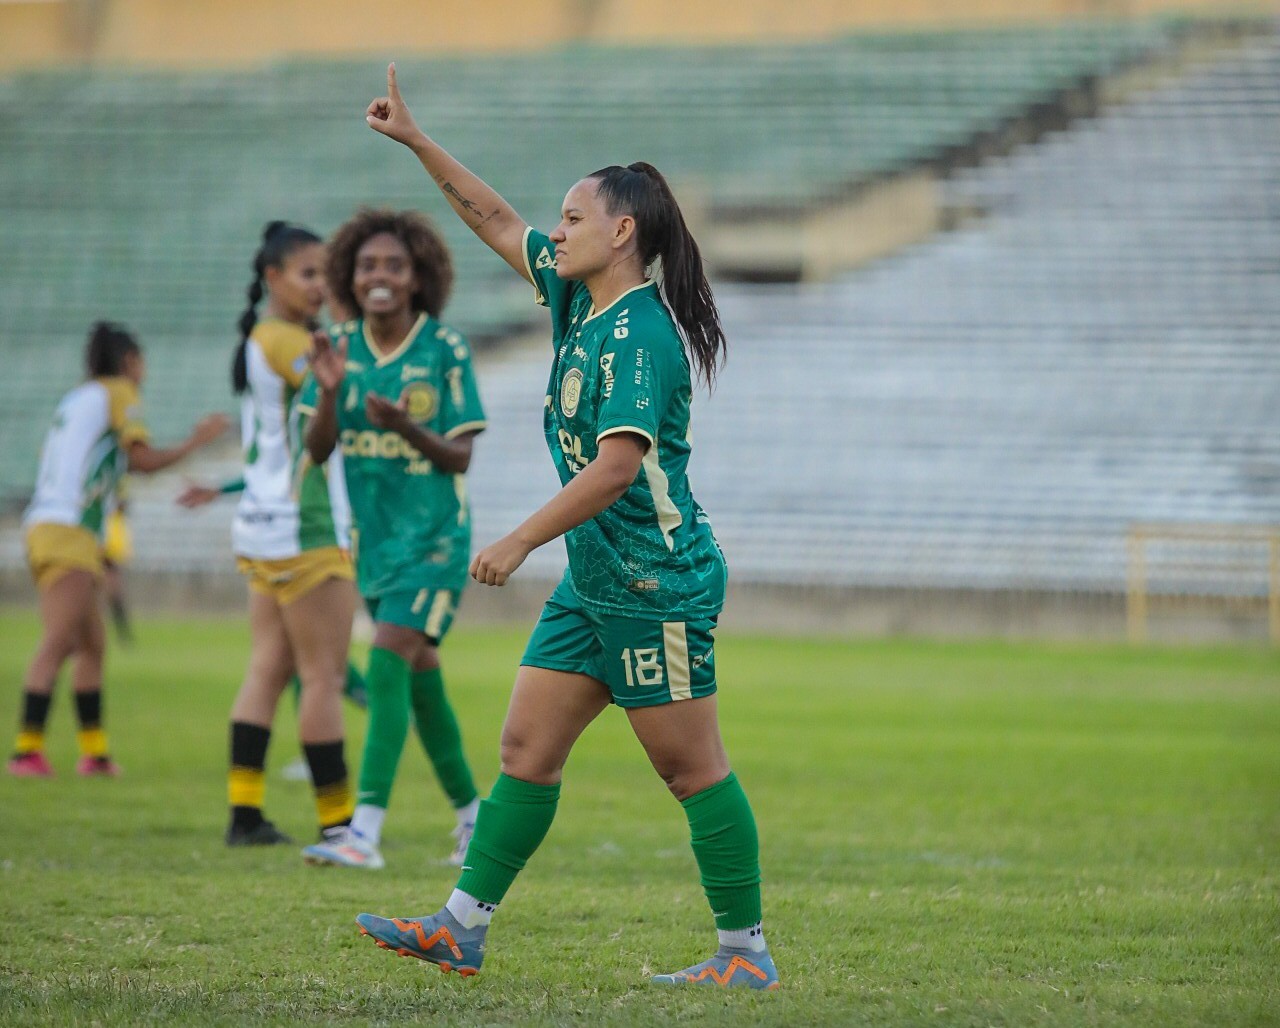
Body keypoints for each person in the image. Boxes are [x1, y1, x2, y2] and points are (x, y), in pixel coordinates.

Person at [345, 65, 779, 990]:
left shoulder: (642, 334)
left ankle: (744, 956)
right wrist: (418, 142)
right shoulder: (581, 298)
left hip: (656, 579)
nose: (557, 229)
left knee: (690, 769)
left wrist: (515, 540)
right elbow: (498, 222)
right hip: (597, 578)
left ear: (623, 232)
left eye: (574, 217)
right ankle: (461, 928)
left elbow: (617, 468)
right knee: (525, 749)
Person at [298, 207, 486, 870]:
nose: (380, 275)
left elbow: (460, 456)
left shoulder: (444, 348)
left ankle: (363, 832)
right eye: (368, 265)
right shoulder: (336, 349)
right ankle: (473, 818)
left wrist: (407, 429)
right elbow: (317, 450)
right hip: (373, 545)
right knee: (421, 682)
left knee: (383, 663)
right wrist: (327, 395)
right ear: (351, 275)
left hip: (434, 541)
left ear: (417, 278)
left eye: (395, 266)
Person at [176, 221, 359, 847]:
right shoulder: (288, 341)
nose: (320, 285)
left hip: (259, 528)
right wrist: (341, 331)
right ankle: (339, 827)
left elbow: (266, 455)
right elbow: (332, 403)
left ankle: (245, 815)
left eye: (324, 273)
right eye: (309, 274)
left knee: (267, 670)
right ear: (273, 278)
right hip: (304, 531)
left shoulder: (262, 338)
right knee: (323, 677)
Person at [10, 322, 229, 778]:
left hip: (56, 527)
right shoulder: (118, 392)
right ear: (130, 361)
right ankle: (26, 752)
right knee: (58, 642)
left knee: (91, 643)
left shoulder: (77, 398)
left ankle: (95, 755)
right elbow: (141, 459)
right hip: (67, 531)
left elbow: (92, 467)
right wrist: (197, 441)